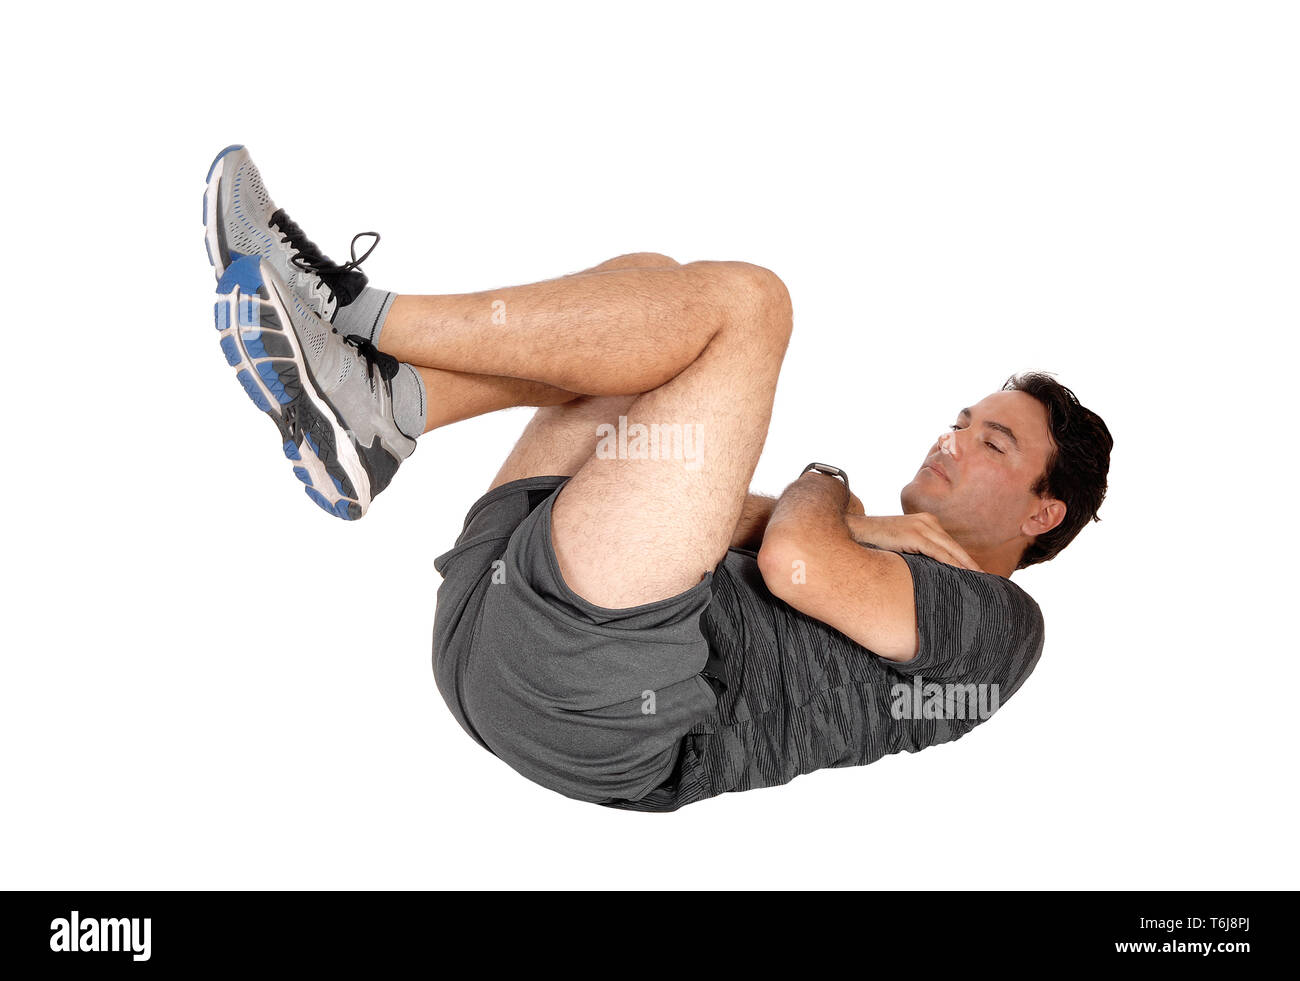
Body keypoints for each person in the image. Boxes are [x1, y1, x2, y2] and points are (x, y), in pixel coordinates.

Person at [204, 146, 1114, 810]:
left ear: (1045, 508)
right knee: (644, 296)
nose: (951, 439)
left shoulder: (1002, 625)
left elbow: (796, 561)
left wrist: (829, 480)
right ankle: (387, 412)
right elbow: (697, 527)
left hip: (608, 701)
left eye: (992, 442)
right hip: (508, 609)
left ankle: (354, 311)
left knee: (752, 304)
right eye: (961, 421)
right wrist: (855, 525)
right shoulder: (872, 543)